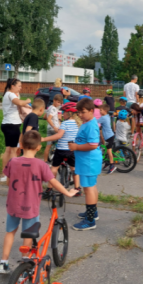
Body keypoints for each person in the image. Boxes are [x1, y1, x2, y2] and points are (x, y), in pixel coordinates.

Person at [0, 130, 77, 275]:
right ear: (39, 147)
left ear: (21, 145)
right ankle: (25, 263)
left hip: (13, 205)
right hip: (30, 206)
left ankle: (3, 263)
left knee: (10, 232)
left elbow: (8, 182)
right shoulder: (40, 165)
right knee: (28, 235)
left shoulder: (13, 161)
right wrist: (67, 192)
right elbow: (53, 181)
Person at [70, 98, 103, 231]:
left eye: (83, 112)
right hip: (88, 161)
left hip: (88, 162)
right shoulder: (87, 122)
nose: (80, 115)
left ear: (91, 111)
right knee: (92, 187)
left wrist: (76, 147)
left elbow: (93, 144)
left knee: (88, 189)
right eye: (78, 112)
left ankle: (89, 221)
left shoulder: (90, 125)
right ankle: (92, 213)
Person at [41, 102, 81, 195]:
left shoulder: (65, 123)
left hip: (61, 150)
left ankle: (49, 189)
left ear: (69, 113)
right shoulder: (79, 124)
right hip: (72, 150)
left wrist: (44, 139)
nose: (63, 114)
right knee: (74, 169)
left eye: (64, 112)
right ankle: (77, 188)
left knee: (54, 169)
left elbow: (59, 135)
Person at [0, 78, 31, 183]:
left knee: (8, 150)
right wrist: (27, 101)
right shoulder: (11, 95)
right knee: (13, 151)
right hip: (12, 125)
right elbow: (19, 103)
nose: (20, 88)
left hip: (7, 124)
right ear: (12, 86)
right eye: (19, 86)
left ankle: (5, 174)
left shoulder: (8, 94)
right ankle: (12, 174)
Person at [42, 94, 63, 162]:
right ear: (54, 100)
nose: (59, 104)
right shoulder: (54, 109)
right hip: (55, 128)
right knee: (62, 141)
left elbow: (44, 117)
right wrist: (54, 126)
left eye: (60, 103)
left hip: (49, 128)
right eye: (58, 102)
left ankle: (45, 161)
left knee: (48, 146)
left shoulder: (49, 107)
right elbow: (48, 118)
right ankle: (59, 159)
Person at [98, 103, 116, 174]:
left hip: (108, 136)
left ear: (105, 111)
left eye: (101, 110)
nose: (99, 111)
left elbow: (95, 122)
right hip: (110, 135)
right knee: (106, 149)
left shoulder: (103, 118)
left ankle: (112, 165)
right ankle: (108, 162)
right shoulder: (107, 116)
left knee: (109, 150)